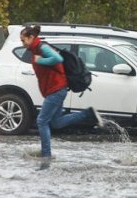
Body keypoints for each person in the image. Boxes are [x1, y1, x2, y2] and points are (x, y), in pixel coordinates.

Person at [20, 25, 104, 158]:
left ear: (31, 37)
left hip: (56, 89)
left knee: (42, 121)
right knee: (56, 122)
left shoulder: (42, 47)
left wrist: (40, 60)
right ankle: (88, 114)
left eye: (23, 40)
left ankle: (46, 154)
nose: (22, 43)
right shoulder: (36, 48)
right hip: (55, 89)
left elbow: (58, 59)